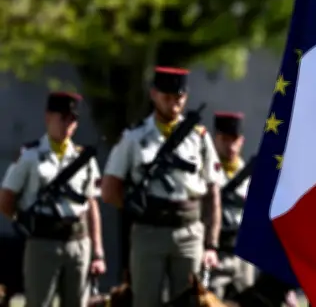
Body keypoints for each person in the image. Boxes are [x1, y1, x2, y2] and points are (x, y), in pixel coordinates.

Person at [100, 67, 225, 307]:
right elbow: (109, 189)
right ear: (154, 95)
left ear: (185, 97)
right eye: (167, 97)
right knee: (146, 301)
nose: (174, 103)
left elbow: (212, 192)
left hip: (189, 232)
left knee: (190, 301)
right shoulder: (133, 137)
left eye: (178, 97)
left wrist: (211, 244)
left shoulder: (198, 137)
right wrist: (135, 207)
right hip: (149, 231)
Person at [0, 91, 105, 307]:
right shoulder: (30, 156)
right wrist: (24, 221)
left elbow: (91, 204)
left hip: (78, 242)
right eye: (63, 118)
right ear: (48, 117)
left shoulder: (84, 159)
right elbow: (6, 198)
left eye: (73, 119)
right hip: (42, 242)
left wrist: (97, 252)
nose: (68, 124)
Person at [207, 111, 256, 298]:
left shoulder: (249, 175)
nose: (230, 145)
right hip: (217, 253)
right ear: (215, 139)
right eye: (224, 139)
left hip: (242, 255)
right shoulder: (206, 169)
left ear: (241, 141)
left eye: (234, 139)